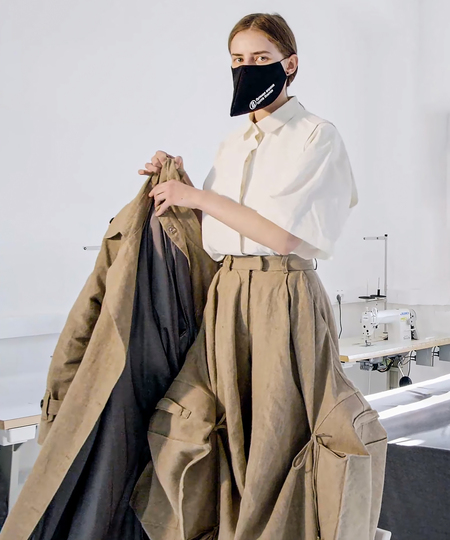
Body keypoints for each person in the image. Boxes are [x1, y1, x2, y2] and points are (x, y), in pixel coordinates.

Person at [129, 12, 387, 540]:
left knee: (277, 433)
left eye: (261, 58)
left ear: (289, 64)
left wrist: (197, 195)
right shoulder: (235, 143)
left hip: (282, 292)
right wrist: (175, 179)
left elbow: (283, 236)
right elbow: (221, 227)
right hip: (227, 293)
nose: (248, 68)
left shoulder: (316, 136)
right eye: (238, 59)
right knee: (215, 422)